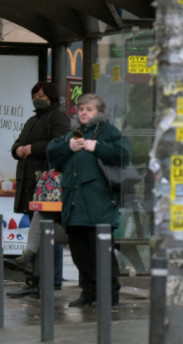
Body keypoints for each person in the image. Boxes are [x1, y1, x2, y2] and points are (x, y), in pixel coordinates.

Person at [47, 93, 128, 307]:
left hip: (99, 205)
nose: (83, 112)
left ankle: (110, 295)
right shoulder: (74, 133)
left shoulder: (109, 132)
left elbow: (123, 154)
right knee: (80, 254)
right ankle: (88, 292)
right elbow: (51, 152)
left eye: (89, 109)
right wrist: (68, 147)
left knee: (102, 254)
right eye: (81, 108)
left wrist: (96, 147)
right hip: (75, 205)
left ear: (99, 113)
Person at [5, 81, 70, 298]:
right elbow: (16, 144)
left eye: (42, 95)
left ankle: (47, 279)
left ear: (51, 98)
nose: (37, 98)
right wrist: (18, 149)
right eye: (35, 95)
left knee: (48, 231)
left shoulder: (57, 118)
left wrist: (32, 148)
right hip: (31, 183)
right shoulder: (33, 120)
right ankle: (40, 278)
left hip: (46, 185)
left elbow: (60, 144)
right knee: (41, 229)